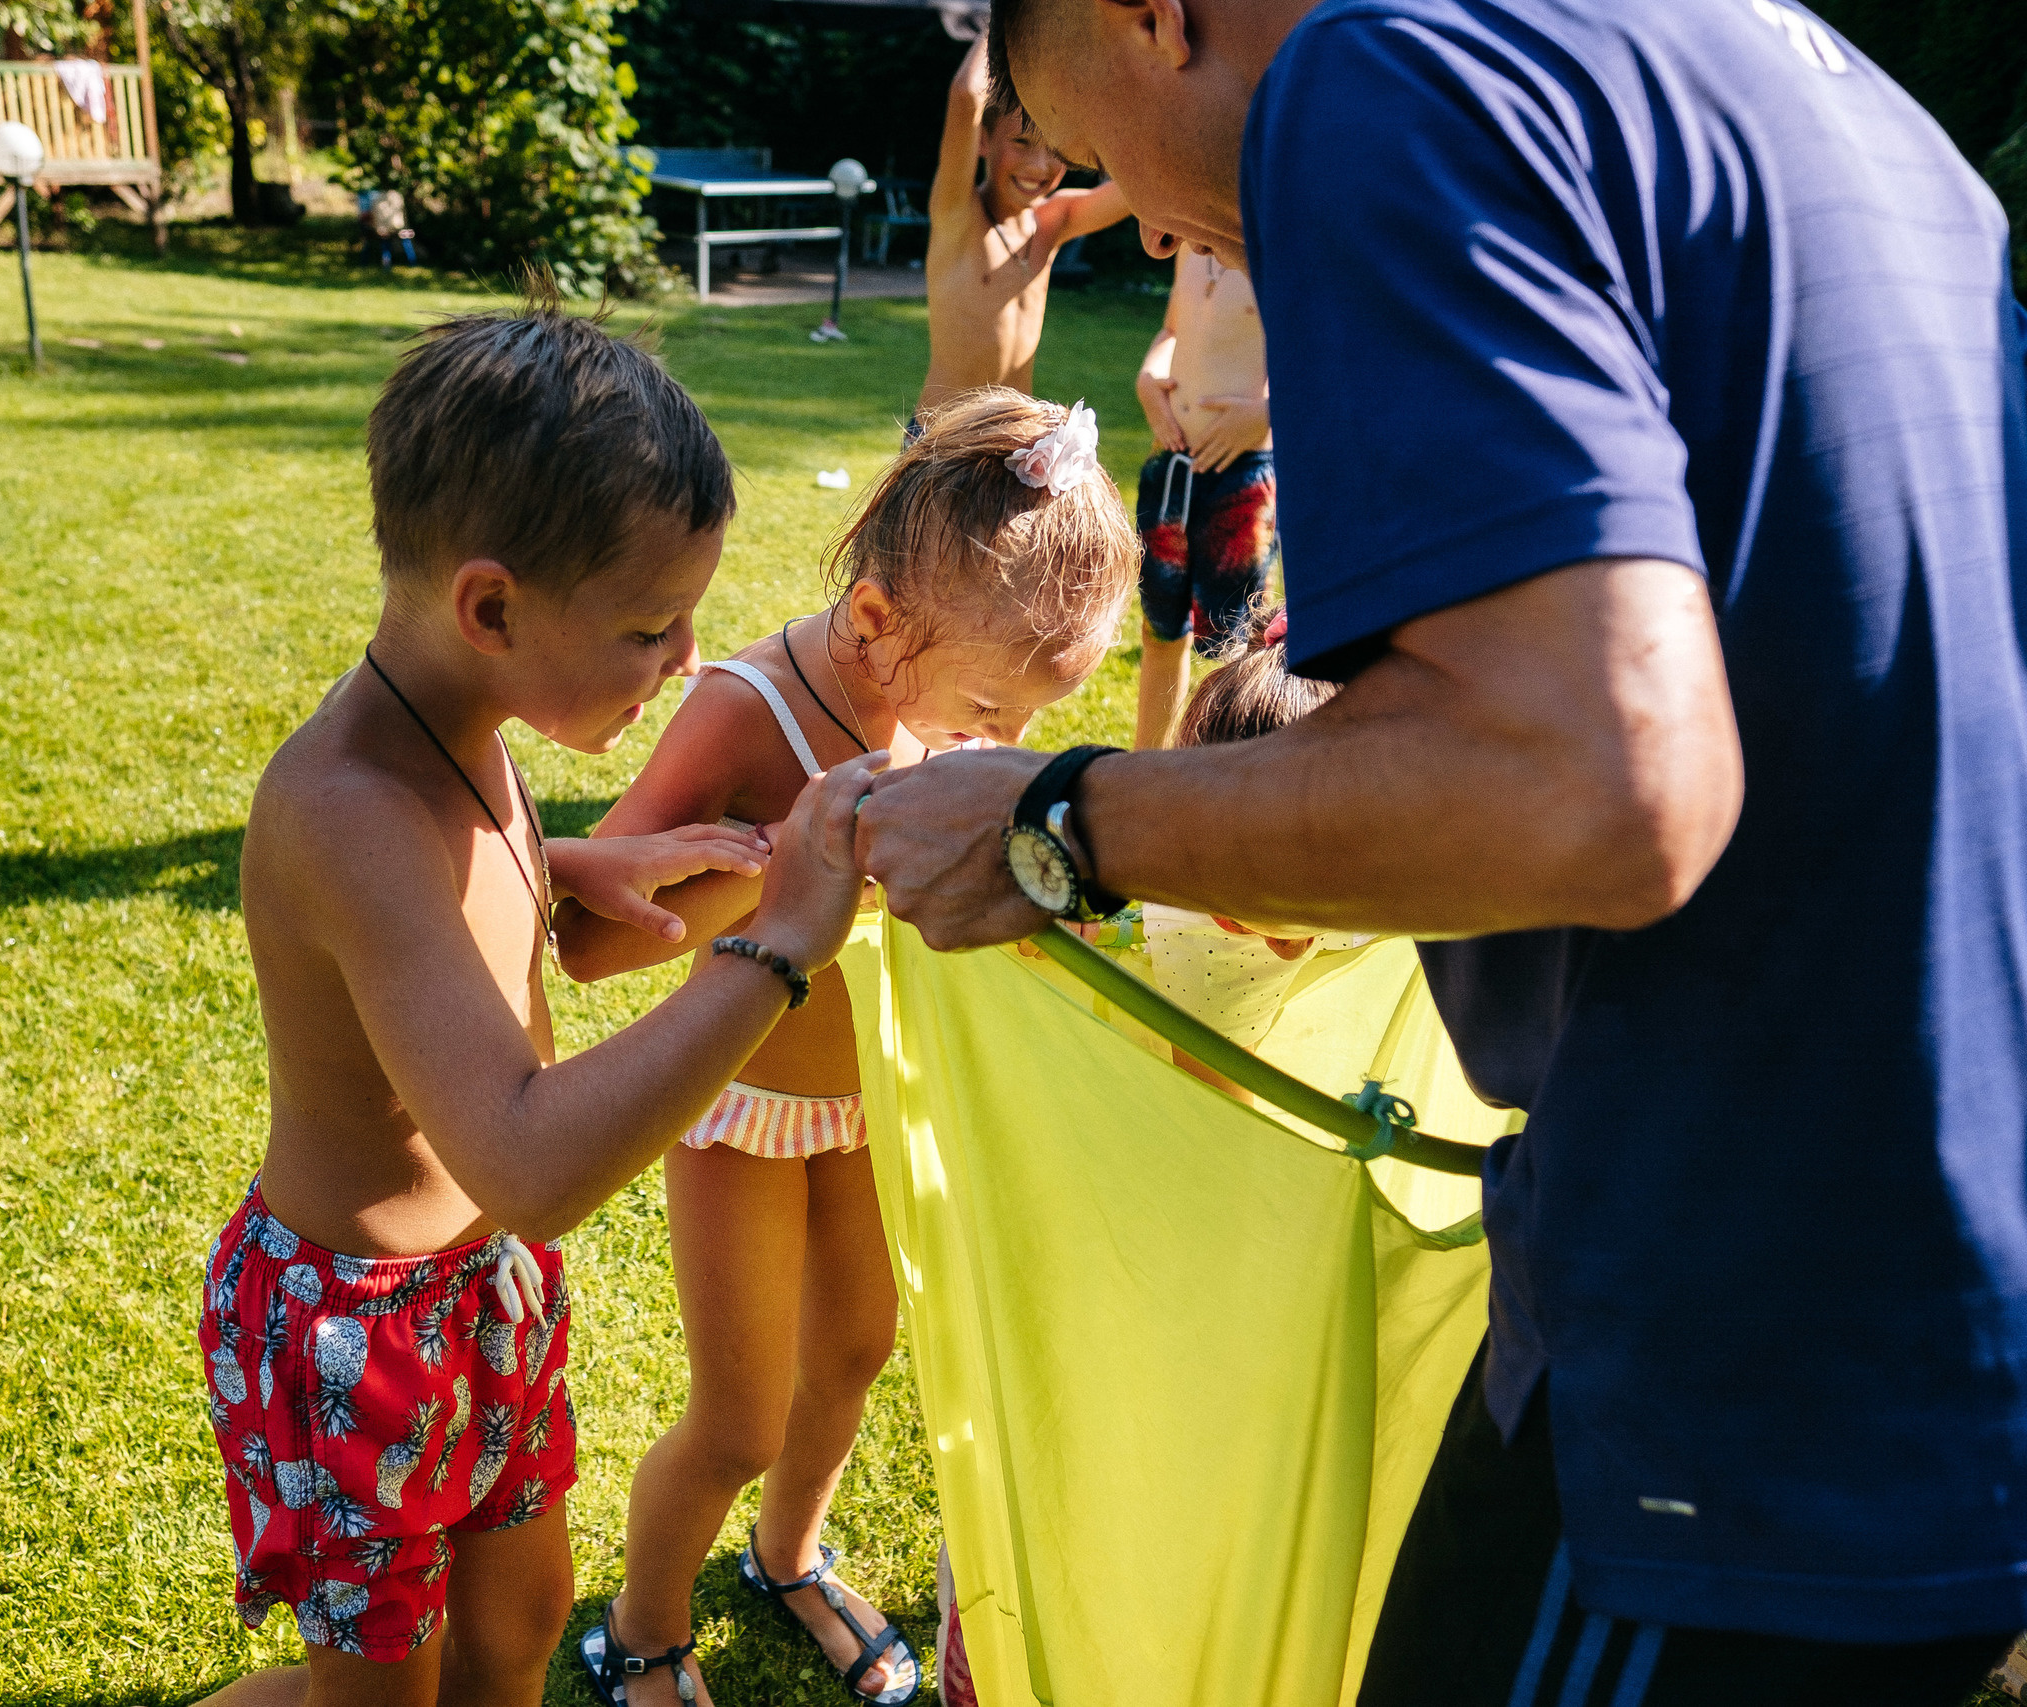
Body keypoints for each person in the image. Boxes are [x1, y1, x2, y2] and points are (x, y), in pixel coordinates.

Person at [855, 1, 2027, 1702]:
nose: (1159, 226)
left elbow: (1594, 785)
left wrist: (1062, 820)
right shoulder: (1799, 76)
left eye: (1099, 146)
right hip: (1945, 1299)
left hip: (1744, 1329)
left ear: (1151, 14)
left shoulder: (1384, 69)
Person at [191, 299, 882, 1707]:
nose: (688, 658)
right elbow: (529, 1154)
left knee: (514, 1634)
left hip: (482, 1293)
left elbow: (456, 893)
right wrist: (776, 946)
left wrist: (574, 857)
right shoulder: (344, 806)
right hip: (354, 1333)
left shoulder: (457, 721)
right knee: (376, 1697)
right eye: (649, 627)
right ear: (492, 606)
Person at [557, 390, 1138, 1707]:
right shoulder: (742, 707)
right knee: (738, 1413)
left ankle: (788, 1552)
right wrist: (796, 856)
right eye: (989, 707)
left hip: (868, 1092)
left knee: (858, 1350)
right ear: (874, 621)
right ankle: (641, 1633)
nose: (994, 743)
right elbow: (591, 943)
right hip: (742, 1100)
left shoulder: (933, 700)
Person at [916, 34, 1131, 433]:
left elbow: (1137, 186)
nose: (1039, 165)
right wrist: (1005, 18)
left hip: (1013, 440)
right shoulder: (958, 216)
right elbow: (966, 95)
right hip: (943, 440)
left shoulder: (1052, 222)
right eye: (1021, 142)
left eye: (1055, 149)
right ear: (984, 138)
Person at [1129, 249, 1276, 747]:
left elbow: (1319, 346)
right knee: (1161, 628)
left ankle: (1220, 765)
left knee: (1231, 639)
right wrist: (1149, 379)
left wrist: (1266, 413)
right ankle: (1147, 765)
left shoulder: (1273, 234)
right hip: (1172, 465)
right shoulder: (1192, 242)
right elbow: (1172, 328)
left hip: (1241, 477)